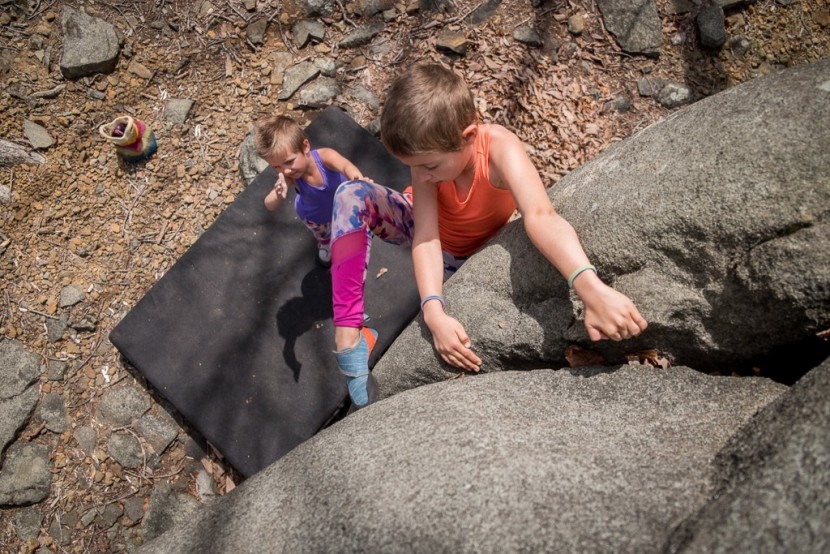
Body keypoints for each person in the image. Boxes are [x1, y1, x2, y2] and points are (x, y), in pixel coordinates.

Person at [329, 63, 647, 408]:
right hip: (428, 231)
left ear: (467, 136)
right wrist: (433, 312)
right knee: (351, 195)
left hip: (469, 256)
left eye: (429, 166)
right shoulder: (426, 169)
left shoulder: (499, 150)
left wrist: (590, 288)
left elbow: (541, 214)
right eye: (413, 166)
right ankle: (349, 334)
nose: (419, 174)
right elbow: (426, 235)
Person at [254, 114, 367, 267]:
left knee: (349, 227)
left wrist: (357, 179)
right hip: (315, 217)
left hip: (342, 206)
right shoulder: (291, 177)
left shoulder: (325, 157)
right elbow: (269, 205)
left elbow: (346, 166)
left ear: (305, 146)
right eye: (277, 167)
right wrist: (278, 195)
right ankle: (326, 244)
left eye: (289, 162)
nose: (285, 171)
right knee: (325, 234)